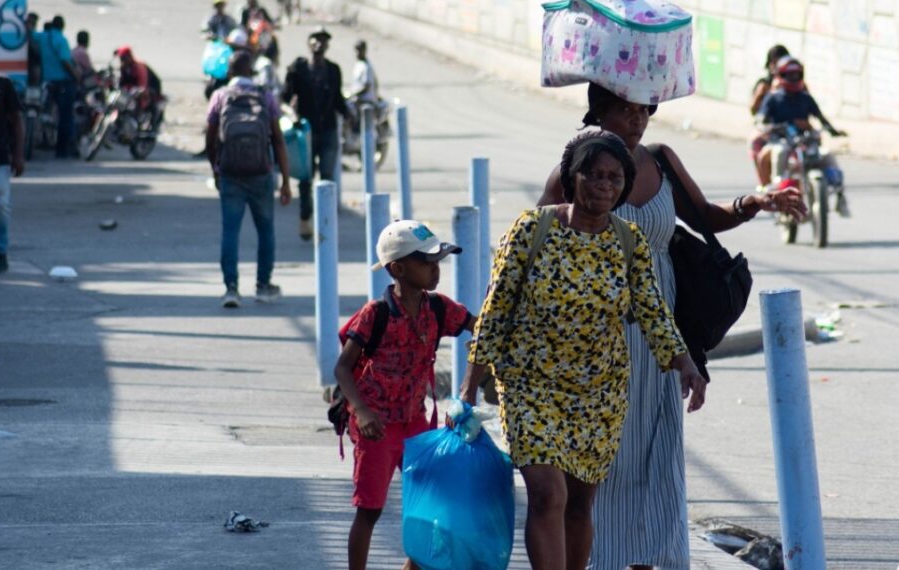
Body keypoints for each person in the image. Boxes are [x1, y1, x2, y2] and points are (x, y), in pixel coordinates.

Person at [538, 83, 808, 570]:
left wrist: (754, 202)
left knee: (655, 448)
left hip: (661, 328)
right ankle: (598, 558)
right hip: (597, 335)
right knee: (605, 452)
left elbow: (704, 216)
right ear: (599, 110)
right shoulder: (578, 167)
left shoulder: (659, 159)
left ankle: (650, 558)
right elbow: (538, 239)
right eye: (626, 109)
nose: (638, 119)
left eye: (645, 110)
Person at [465, 131, 707, 570]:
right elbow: (496, 307)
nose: (604, 185)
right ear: (572, 178)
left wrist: (686, 364)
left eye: (615, 177)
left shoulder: (628, 241)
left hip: (599, 392)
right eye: (593, 174)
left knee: (579, 504)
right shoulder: (531, 229)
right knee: (546, 494)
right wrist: (469, 387)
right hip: (530, 383)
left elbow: (653, 312)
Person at [334, 219, 476, 570]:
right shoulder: (375, 314)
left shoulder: (439, 308)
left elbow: (479, 325)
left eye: (437, 262)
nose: (435, 270)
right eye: (425, 263)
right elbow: (342, 368)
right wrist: (362, 412)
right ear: (397, 269)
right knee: (370, 510)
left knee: (434, 503)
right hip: (376, 426)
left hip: (415, 422)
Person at [205, 51, 292, 308]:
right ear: (251, 70)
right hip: (261, 173)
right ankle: (263, 286)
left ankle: (231, 289)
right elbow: (277, 139)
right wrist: (285, 180)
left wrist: (216, 170)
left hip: (231, 174)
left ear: (230, 72)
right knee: (265, 231)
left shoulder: (220, 96)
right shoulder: (265, 96)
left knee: (230, 232)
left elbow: (210, 139)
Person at [755, 57, 851, 216]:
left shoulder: (805, 98)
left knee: (827, 156)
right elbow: (760, 119)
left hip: (805, 142)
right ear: (781, 75)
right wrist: (768, 127)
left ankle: (840, 197)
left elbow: (820, 117)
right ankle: (777, 188)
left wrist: (833, 131)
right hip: (782, 141)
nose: (793, 79)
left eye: (796, 75)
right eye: (789, 75)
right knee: (779, 152)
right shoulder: (773, 98)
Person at [282, 27, 349, 241]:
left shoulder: (333, 70)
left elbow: (337, 98)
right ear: (308, 43)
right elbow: (284, 98)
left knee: (328, 177)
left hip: (328, 129)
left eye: (323, 40)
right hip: (306, 132)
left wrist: (349, 115)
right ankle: (305, 217)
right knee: (306, 177)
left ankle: (325, 222)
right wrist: (291, 113)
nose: (319, 44)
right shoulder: (297, 69)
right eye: (315, 40)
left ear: (328, 45)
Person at [0, 55, 26, 273]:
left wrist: (19, 154)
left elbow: (17, 120)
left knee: (1, 204)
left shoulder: (2, 86)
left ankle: (0, 251)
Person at [36, 15, 80, 158]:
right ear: (62, 26)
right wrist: (77, 76)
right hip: (63, 83)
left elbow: (29, 36)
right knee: (66, 118)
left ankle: (44, 140)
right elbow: (65, 61)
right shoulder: (61, 39)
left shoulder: (43, 37)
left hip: (47, 82)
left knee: (46, 113)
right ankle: (62, 150)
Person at [747, 44, 789, 173]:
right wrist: (761, 95)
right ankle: (765, 185)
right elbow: (754, 111)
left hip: (792, 128)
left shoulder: (794, 81)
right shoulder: (764, 84)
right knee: (755, 142)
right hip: (770, 128)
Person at [115, 46, 164, 129]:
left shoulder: (138, 67)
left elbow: (142, 83)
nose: (122, 61)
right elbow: (121, 83)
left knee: (141, 101)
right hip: (134, 88)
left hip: (151, 86)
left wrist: (141, 92)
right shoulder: (123, 68)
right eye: (121, 59)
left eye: (123, 58)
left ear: (129, 57)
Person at [351, 40, 379, 106]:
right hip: (358, 100)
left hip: (365, 102)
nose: (357, 53)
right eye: (356, 50)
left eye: (360, 50)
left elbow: (367, 87)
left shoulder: (367, 67)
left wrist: (353, 94)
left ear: (364, 51)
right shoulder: (358, 64)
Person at [25, 13, 42, 88]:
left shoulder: (33, 33)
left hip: (32, 61)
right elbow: (35, 49)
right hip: (32, 62)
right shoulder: (30, 33)